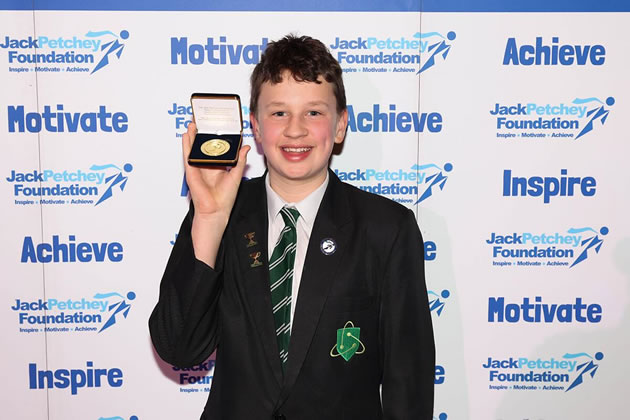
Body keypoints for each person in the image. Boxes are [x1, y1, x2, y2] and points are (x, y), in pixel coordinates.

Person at [150, 34, 435, 420]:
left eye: (314, 113)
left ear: (340, 126)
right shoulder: (219, 215)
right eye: (279, 113)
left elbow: (409, 383)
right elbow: (178, 347)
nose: (295, 130)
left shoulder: (386, 228)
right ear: (255, 127)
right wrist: (210, 219)